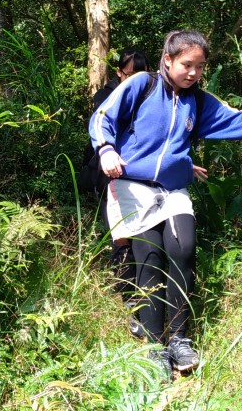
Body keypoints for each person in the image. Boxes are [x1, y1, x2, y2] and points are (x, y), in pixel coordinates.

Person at [88, 30, 242, 377]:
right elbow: (102, 117)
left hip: (173, 191)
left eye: (199, 67)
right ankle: (154, 347)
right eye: (186, 65)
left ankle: (179, 338)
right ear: (167, 59)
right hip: (132, 187)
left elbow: (236, 120)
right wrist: (106, 149)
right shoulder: (141, 85)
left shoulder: (198, 101)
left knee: (183, 250)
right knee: (149, 261)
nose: (193, 73)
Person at [82, 50, 149, 337]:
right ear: (119, 71)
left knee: (143, 235)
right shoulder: (107, 96)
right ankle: (130, 298)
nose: (133, 77)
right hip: (113, 173)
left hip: (143, 176)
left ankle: (148, 298)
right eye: (129, 71)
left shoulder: (150, 94)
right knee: (121, 235)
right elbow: (102, 130)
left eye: (139, 72)